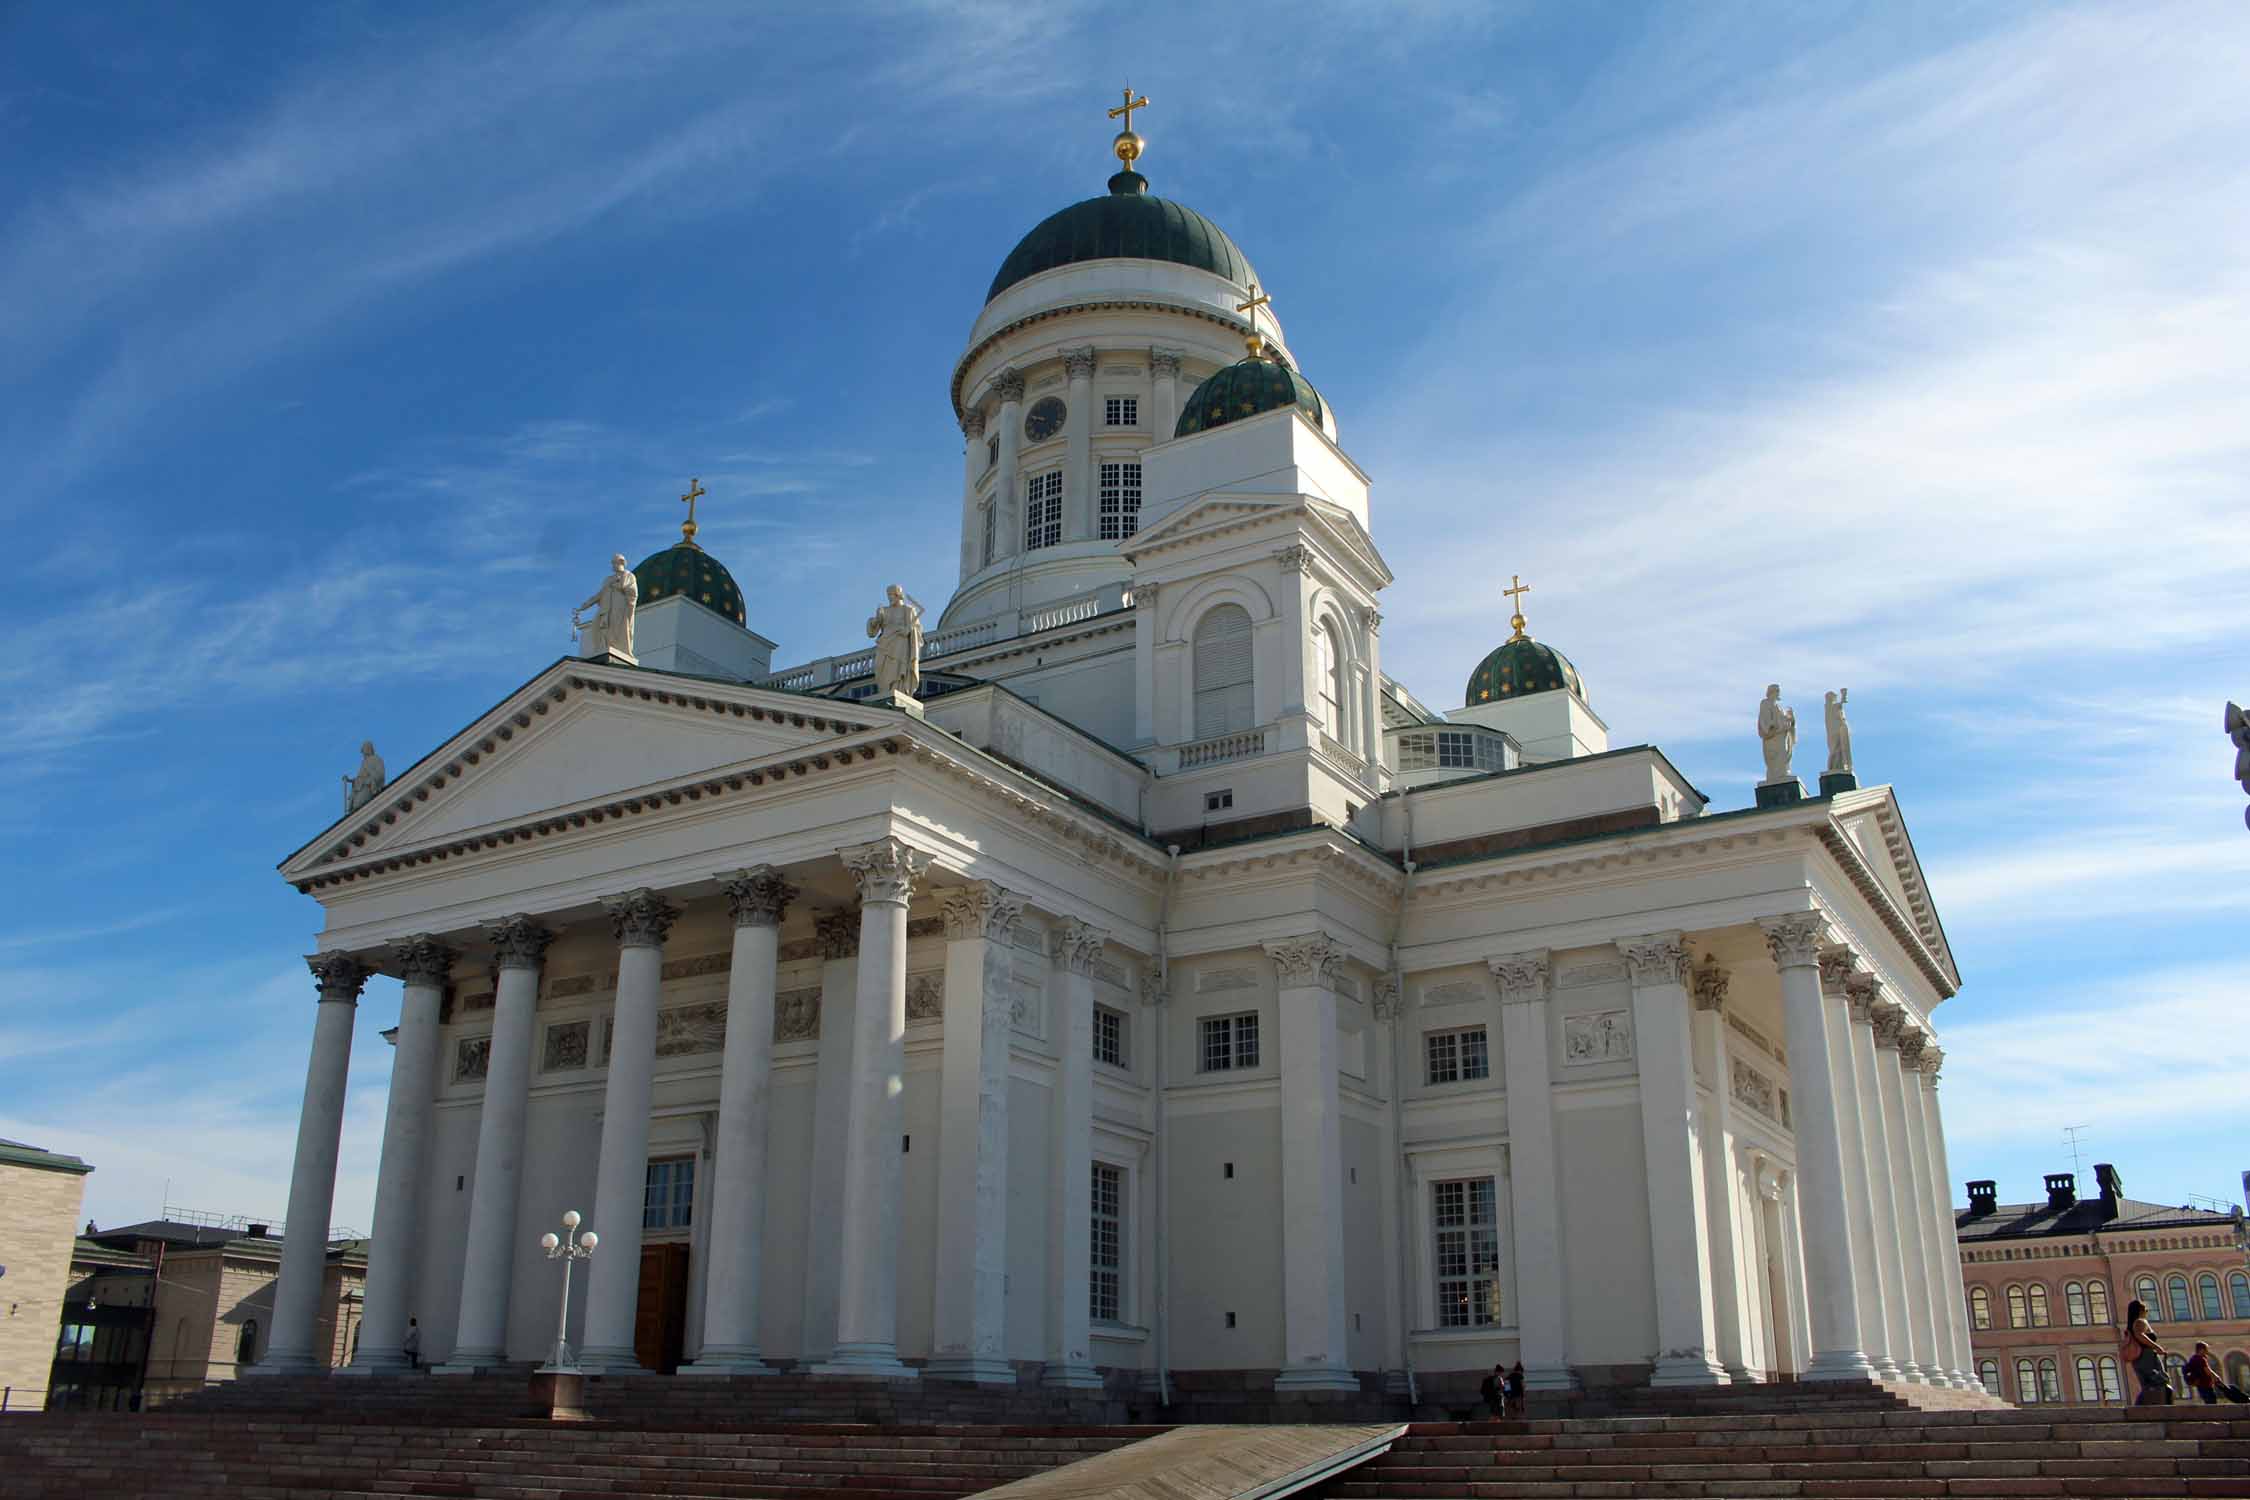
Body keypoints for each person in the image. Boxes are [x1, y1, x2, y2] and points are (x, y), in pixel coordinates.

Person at [2122, 1299, 2171, 1405]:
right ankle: (2148, 1405)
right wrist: (2156, 1347)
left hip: (2138, 1357)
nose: (2147, 1312)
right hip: (2146, 1355)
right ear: (2140, 1310)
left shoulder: (2131, 1324)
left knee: (2147, 1383)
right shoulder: (2140, 1322)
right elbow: (2140, 1335)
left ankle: (2144, 1406)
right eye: (2146, 1309)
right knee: (2158, 1379)